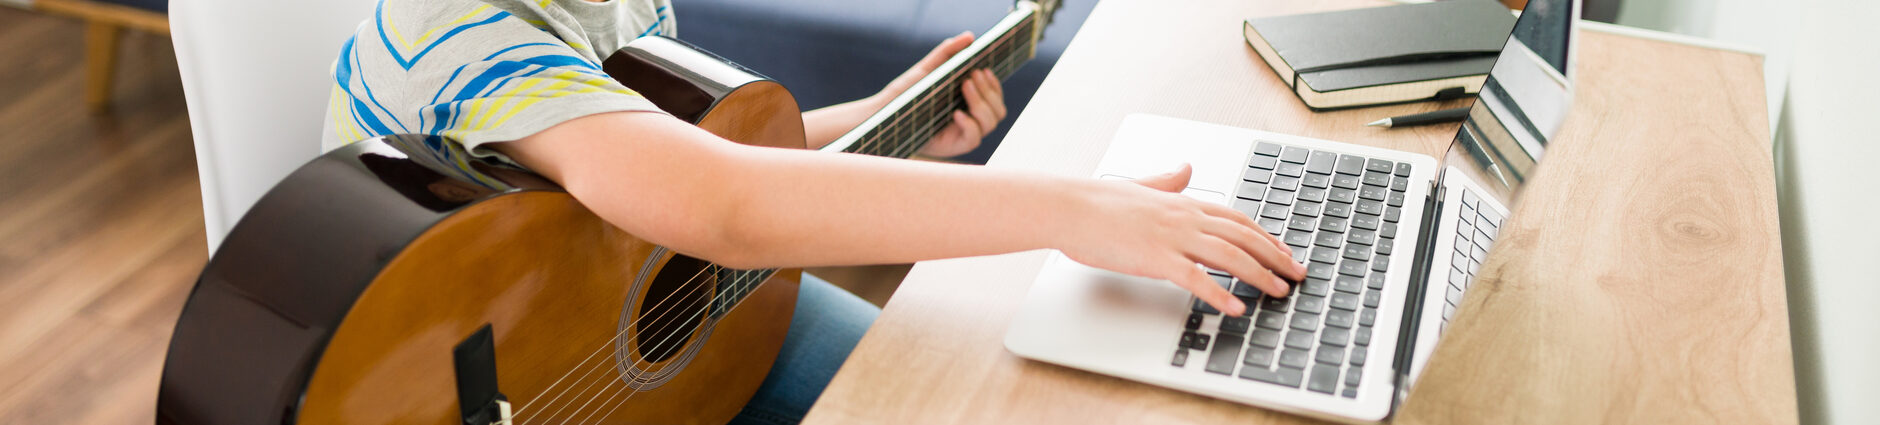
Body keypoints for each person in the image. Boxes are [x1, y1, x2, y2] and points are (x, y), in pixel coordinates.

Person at [323, 0, 1304, 424]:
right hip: (483, 371)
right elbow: (722, 205)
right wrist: (1076, 208)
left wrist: (880, 121)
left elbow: (658, 154)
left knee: (948, 387)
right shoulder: (455, 36)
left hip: (610, 316)